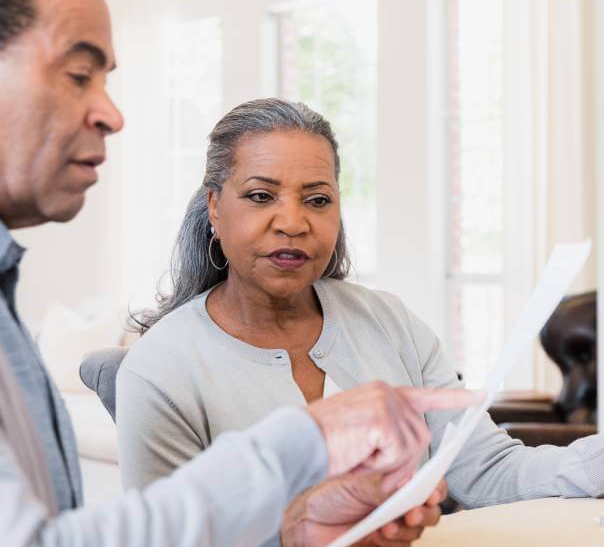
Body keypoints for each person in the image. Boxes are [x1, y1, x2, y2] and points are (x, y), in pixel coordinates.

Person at [0, 0, 479, 547]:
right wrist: (304, 438)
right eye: (78, 74)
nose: (112, 114)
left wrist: (292, 534)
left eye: (317, 197)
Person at [117, 98, 604, 516]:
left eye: (318, 199)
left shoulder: (391, 323)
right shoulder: (161, 367)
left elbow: (489, 471)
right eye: (261, 196)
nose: (293, 221)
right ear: (215, 208)